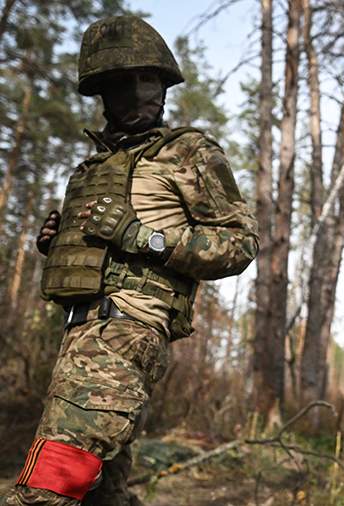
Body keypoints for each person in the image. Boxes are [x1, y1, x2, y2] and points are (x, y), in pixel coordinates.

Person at [6, 16, 258, 506]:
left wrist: (142, 236)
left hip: (125, 332)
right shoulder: (95, 165)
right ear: (104, 91)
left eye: (154, 82)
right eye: (130, 83)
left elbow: (239, 244)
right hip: (78, 335)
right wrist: (58, 244)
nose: (147, 95)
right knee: (103, 492)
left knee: (48, 484)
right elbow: (98, 253)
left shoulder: (188, 152)